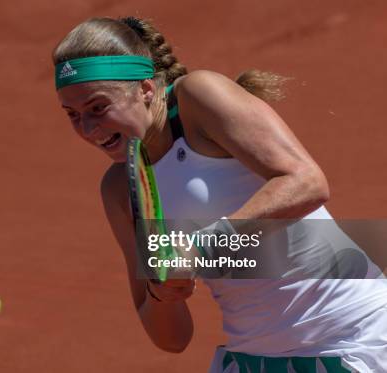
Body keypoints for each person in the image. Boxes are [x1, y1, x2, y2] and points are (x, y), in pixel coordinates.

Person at [53, 16, 387, 373]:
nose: (88, 129)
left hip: (356, 338)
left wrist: (201, 247)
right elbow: (172, 339)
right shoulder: (120, 188)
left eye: (98, 108)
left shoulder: (198, 97)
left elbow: (306, 181)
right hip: (253, 360)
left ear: (146, 90)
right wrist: (162, 293)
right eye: (72, 115)